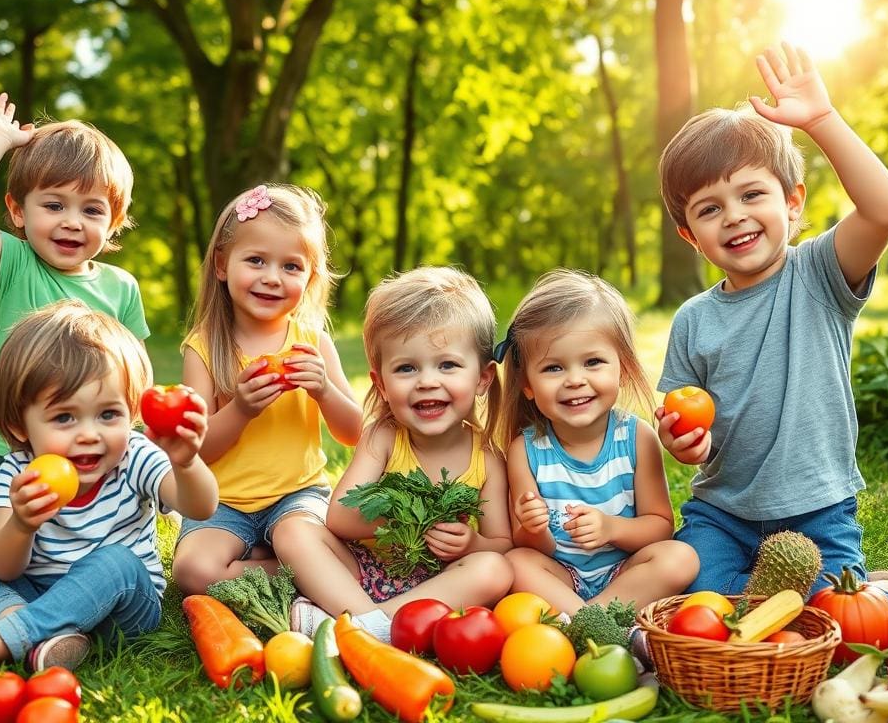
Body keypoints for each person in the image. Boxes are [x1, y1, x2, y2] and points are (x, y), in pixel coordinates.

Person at [655, 42, 888, 628]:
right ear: (690, 236)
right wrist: (683, 443)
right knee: (704, 609)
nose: (735, 216)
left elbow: (884, 207)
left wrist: (821, 120)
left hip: (816, 512)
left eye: (751, 195)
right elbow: (682, 419)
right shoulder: (693, 317)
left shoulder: (820, 273)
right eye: (709, 209)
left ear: (793, 204)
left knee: (834, 622)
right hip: (723, 514)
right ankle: (762, 595)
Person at [0, 301, 217, 688]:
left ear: (131, 411)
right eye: (64, 417)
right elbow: (3, 569)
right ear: (19, 425)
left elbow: (201, 507)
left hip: (122, 609)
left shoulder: (135, 456)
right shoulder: (21, 471)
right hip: (37, 590)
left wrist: (187, 463)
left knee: (117, 562)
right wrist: (22, 525)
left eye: (108, 415)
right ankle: (40, 633)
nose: (89, 433)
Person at [0, 92, 147, 533]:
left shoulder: (121, 288)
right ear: (18, 211)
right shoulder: (14, 264)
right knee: (15, 563)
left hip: (95, 454)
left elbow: (138, 380)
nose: (73, 221)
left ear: (114, 222)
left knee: (85, 558)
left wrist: (149, 446)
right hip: (12, 452)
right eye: (54, 205)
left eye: (92, 209)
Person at [288, 267, 514, 642]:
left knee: (495, 569)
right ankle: (371, 623)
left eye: (447, 365)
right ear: (381, 383)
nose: (427, 381)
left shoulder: (487, 456)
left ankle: (362, 627)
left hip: (442, 581)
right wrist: (408, 525)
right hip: (364, 570)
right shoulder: (384, 436)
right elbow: (341, 517)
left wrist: (472, 544)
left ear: (482, 378)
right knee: (295, 530)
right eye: (407, 368)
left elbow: (502, 543)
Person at [171, 183, 364, 595]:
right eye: (256, 260)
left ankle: (285, 558)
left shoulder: (312, 341)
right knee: (192, 572)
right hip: (223, 504)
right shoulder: (203, 347)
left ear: (310, 275)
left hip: (297, 495)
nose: (272, 278)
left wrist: (325, 391)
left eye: (291, 266)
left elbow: (355, 433)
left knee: (298, 537)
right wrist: (240, 409)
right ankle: (298, 571)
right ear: (222, 264)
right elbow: (196, 451)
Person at [496, 269, 699, 616]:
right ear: (527, 385)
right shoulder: (525, 450)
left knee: (680, 557)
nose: (575, 380)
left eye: (593, 362)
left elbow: (659, 527)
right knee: (515, 563)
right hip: (562, 577)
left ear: (621, 368)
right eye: (553, 369)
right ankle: (601, 622)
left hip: (625, 573)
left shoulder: (636, 437)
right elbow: (530, 546)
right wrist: (533, 526)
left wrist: (610, 528)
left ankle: (585, 620)